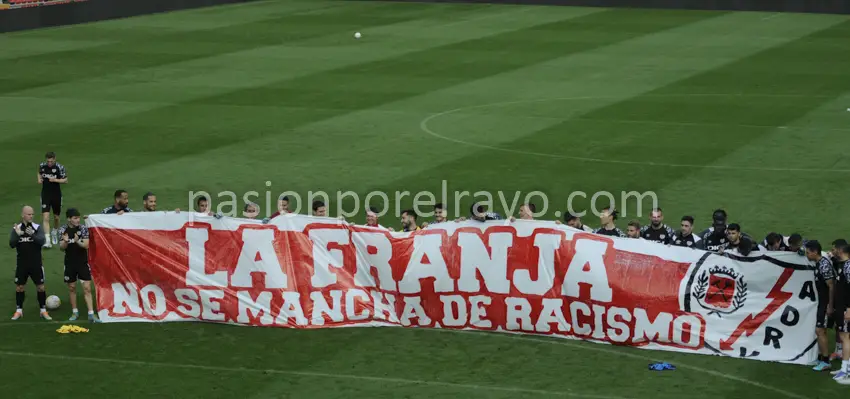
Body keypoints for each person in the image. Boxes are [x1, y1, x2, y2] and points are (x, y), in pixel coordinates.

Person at [57, 208, 99, 323]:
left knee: (87, 288)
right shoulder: (62, 230)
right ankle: (75, 312)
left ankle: (91, 314)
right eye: (75, 218)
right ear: (69, 219)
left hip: (82, 262)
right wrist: (65, 241)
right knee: (72, 288)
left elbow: (86, 245)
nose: (77, 220)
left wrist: (76, 241)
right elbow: (61, 247)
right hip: (69, 263)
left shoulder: (83, 229)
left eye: (78, 218)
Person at [10, 206, 51, 321]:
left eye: (32, 214)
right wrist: (17, 235)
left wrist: (32, 234)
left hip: (36, 264)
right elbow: (11, 244)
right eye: (28, 214)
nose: (31, 216)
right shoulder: (16, 228)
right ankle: (19, 311)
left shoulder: (37, 228)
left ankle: (43, 310)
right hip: (22, 264)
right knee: (20, 287)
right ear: (23, 215)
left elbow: (42, 241)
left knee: (41, 287)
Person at [805, 241, 835, 371]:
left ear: (815, 252)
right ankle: (823, 357)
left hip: (826, 303)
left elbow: (832, 285)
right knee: (821, 330)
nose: (806, 255)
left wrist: (830, 305)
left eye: (807, 252)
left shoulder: (824, 266)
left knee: (820, 330)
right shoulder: (819, 262)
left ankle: (825, 361)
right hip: (822, 302)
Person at [37, 152, 67, 248]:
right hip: (45, 194)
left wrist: (55, 180)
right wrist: (39, 179)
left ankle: (54, 231)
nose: (49, 163)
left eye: (51, 161)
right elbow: (39, 173)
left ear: (55, 159)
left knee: (56, 217)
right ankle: (47, 240)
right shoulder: (42, 166)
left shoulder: (59, 167)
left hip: (56, 195)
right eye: (48, 161)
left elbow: (65, 180)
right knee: (45, 217)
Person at [832, 245, 850, 383]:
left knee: (845, 337)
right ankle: (844, 368)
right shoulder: (843, 265)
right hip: (841, 307)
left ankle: (846, 371)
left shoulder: (848, 267)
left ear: (842, 250)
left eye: (835, 249)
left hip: (846, 308)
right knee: (844, 337)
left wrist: (849, 308)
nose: (834, 251)